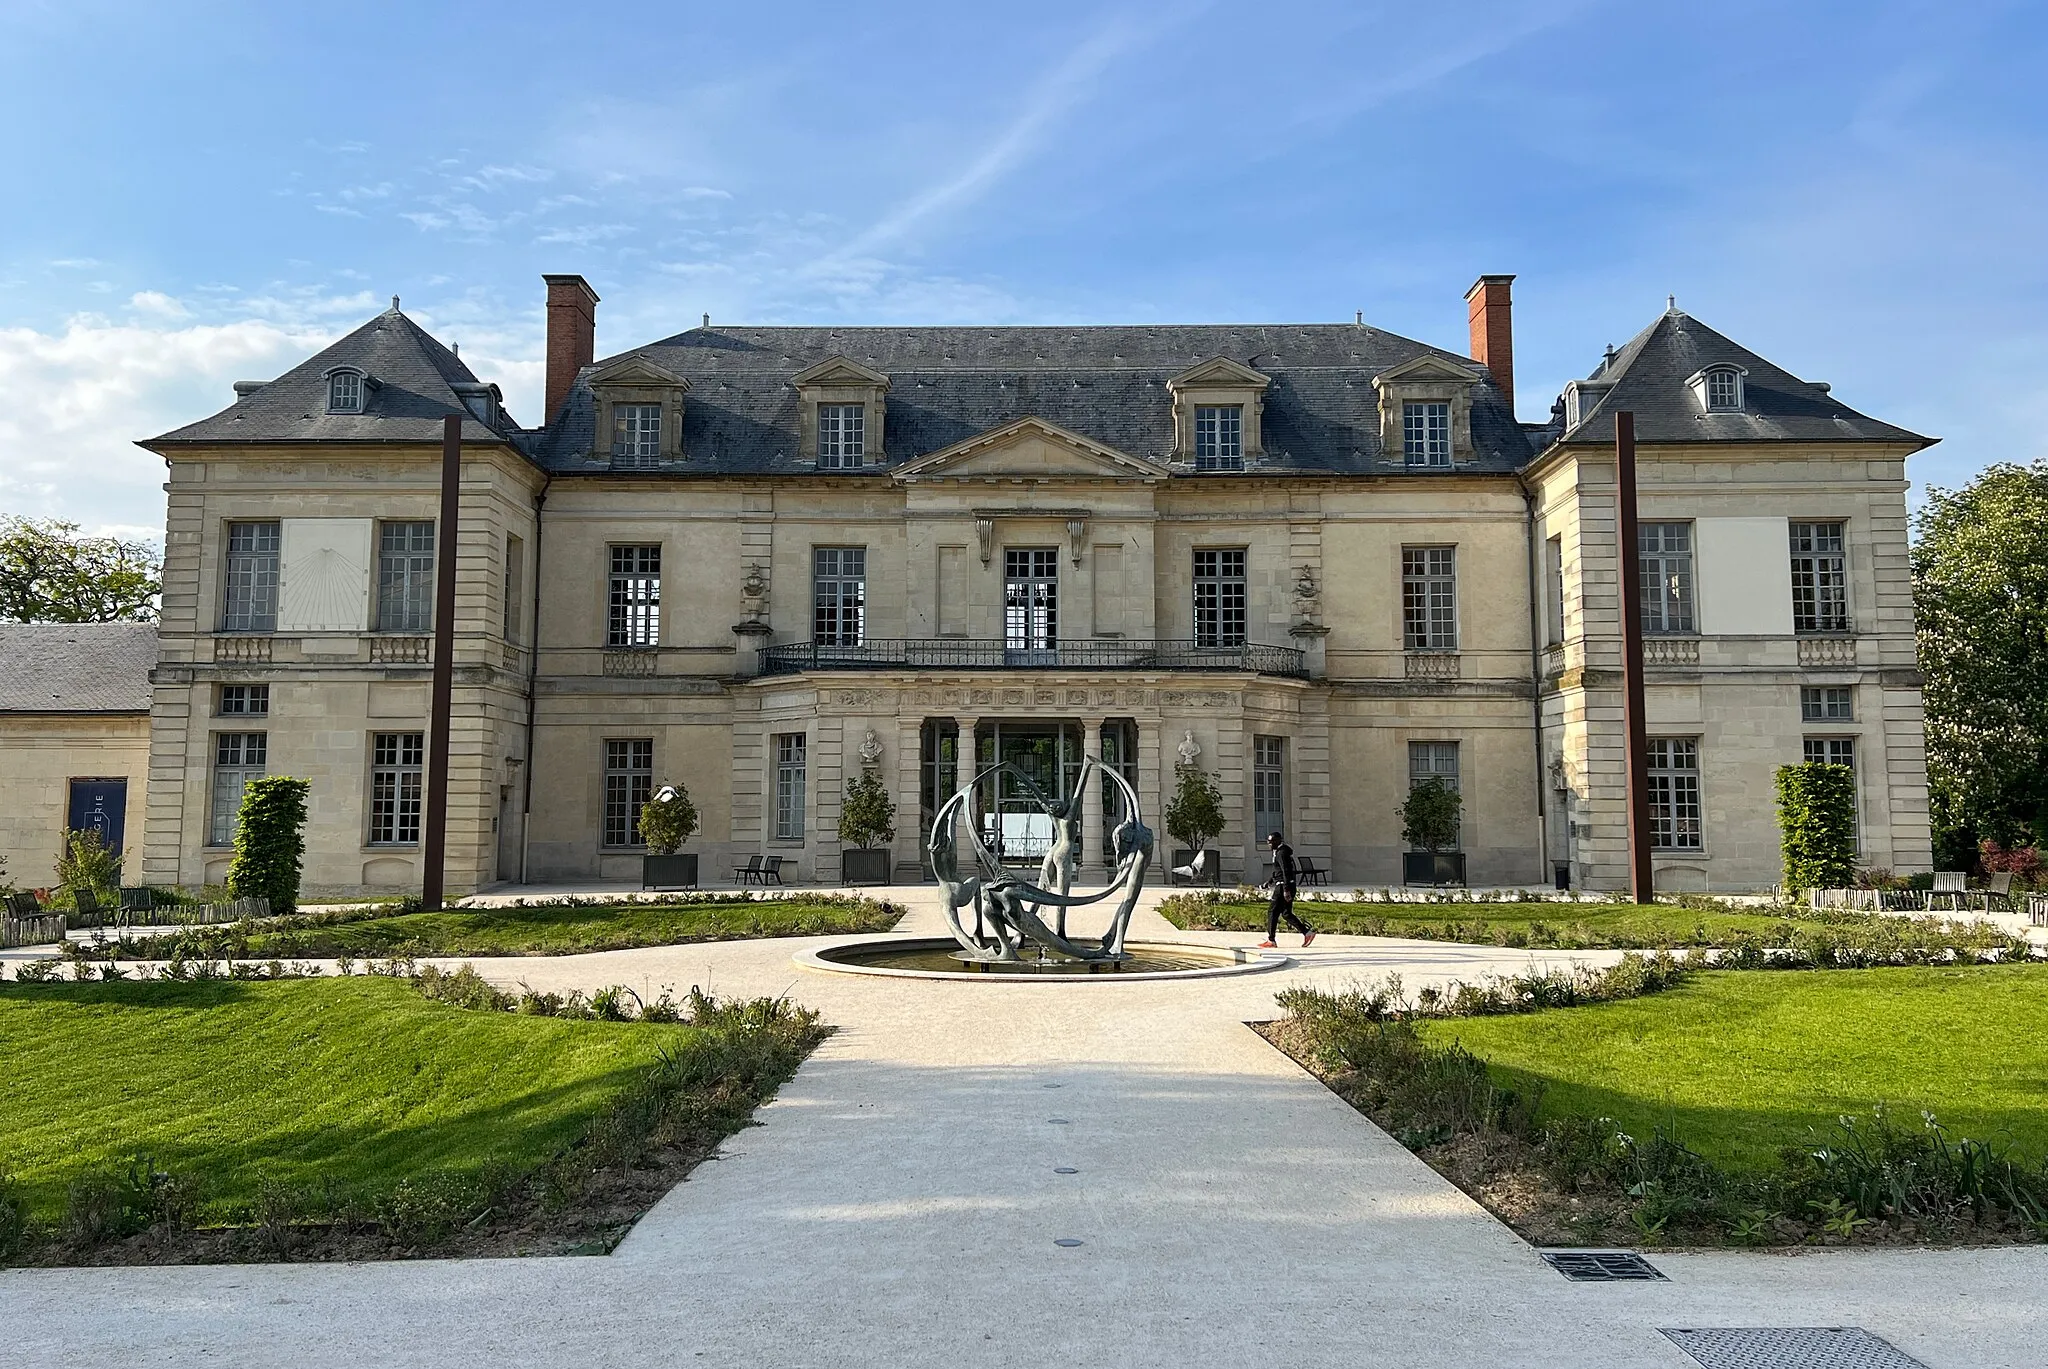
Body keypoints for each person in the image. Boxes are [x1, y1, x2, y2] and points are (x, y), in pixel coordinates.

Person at [1259, 831, 1315, 948]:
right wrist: (1268, 882)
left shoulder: (1281, 853)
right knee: (1286, 913)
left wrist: (1286, 889)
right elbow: (1277, 871)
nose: (1269, 844)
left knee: (1272, 911)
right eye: (1268, 842)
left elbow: (1285, 871)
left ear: (1278, 841)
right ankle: (1307, 933)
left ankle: (1271, 940)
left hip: (1283, 886)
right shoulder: (1280, 852)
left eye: (1271, 842)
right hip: (1286, 885)